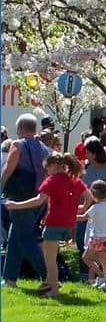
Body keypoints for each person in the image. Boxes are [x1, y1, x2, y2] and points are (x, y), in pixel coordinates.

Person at [5, 154, 91, 297]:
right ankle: (48, 284)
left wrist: (16, 205)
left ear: (52, 166)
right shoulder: (75, 179)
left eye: (46, 169)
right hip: (68, 225)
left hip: (53, 223)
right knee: (51, 255)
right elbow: (89, 197)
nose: (46, 172)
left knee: (49, 260)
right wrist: (80, 208)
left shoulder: (51, 180)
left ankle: (54, 290)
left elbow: (38, 201)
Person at [1, 113, 50, 287]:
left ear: (20, 129)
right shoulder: (44, 148)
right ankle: (10, 280)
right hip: (38, 198)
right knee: (15, 237)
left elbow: (8, 169)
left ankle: (49, 277)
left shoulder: (18, 144)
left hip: (20, 199)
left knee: (25, 238)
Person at [75, 137, 106, 282]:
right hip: (84, 208)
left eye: (87, 151)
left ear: (94, 152)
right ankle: (86, 274)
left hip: (98, 212)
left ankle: (98, 275)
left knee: (96, 247)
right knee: (81, 242)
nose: (85, 154)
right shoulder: (85, 168)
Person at [76, 180, 106, 290]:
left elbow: (83, 217)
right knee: (103, 260)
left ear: (93, 195)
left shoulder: (95, 208)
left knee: (86, 258)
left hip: (96, 238)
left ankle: (102, 276)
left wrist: (69, 217)